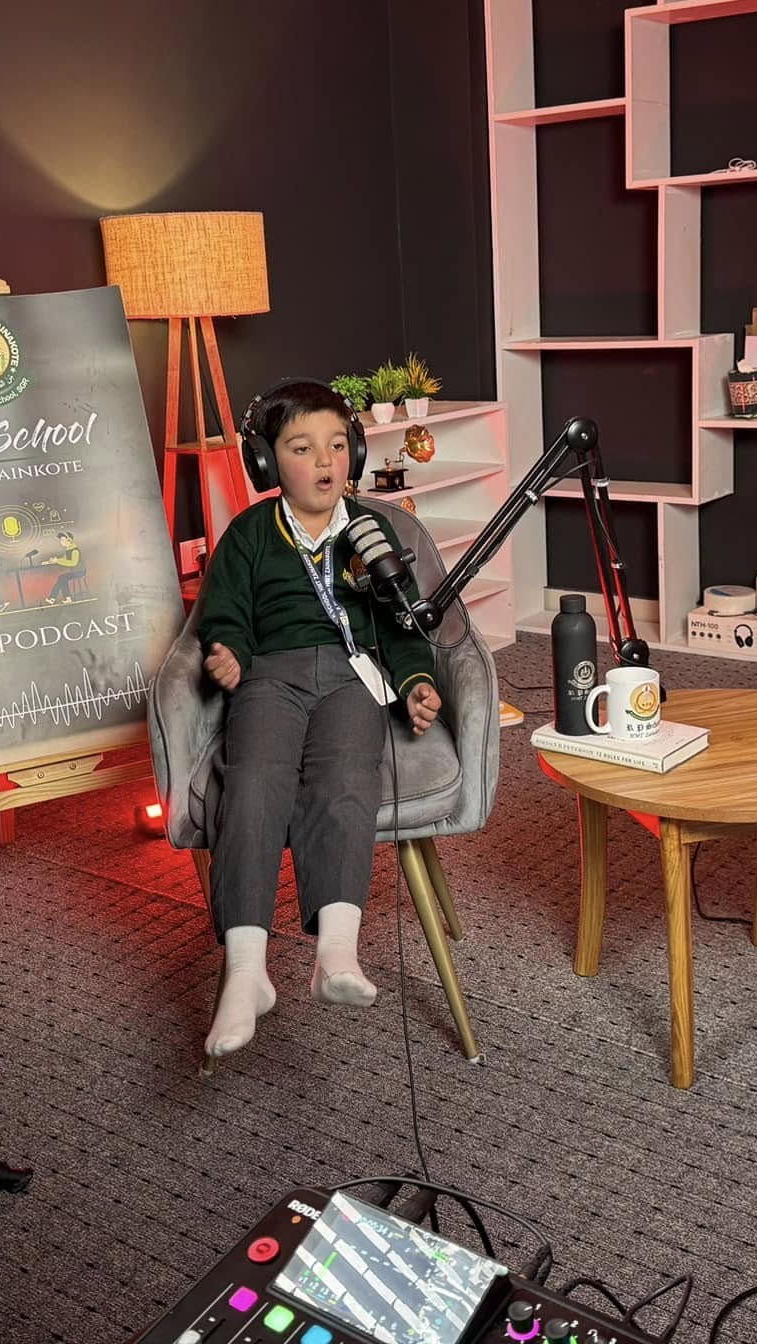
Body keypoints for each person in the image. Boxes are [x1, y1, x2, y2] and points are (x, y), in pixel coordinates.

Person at [193, 380, 443, 1063]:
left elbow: (404, 623)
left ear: (354, 452)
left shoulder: (371, 532)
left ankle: (335, 952)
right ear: (267, 463)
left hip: (353, 676)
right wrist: (227, 652)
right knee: (253, 783)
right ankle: (246, 973)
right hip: (269, 675)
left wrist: (417, 682)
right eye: (302, 449)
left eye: (336, 445)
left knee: (346, 778)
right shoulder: (249, 535)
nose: (325, 461)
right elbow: (224, 612)